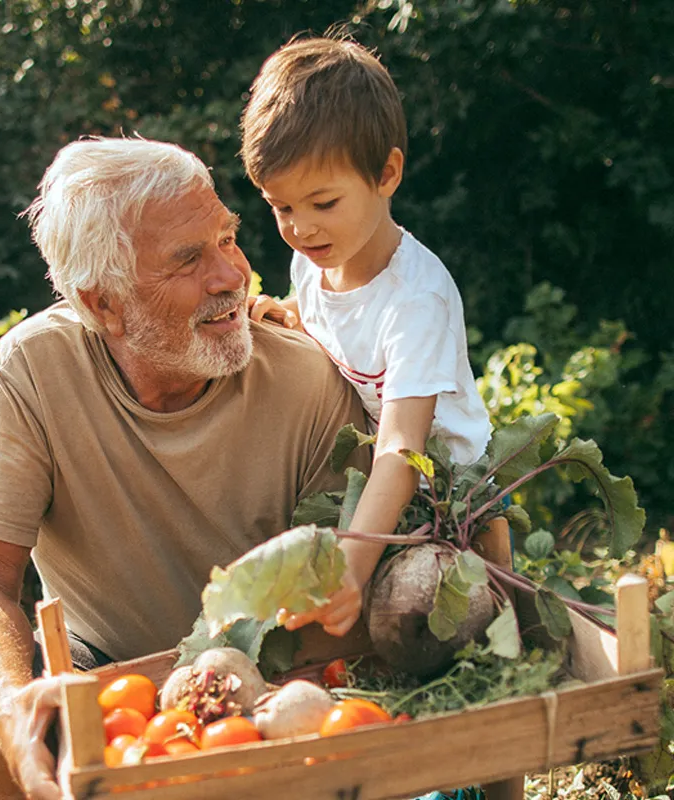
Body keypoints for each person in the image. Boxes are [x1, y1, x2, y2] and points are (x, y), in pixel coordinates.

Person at [0, 136, 370, 800]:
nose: (230, 275)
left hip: (271, 662)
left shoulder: (306, 380)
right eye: (189, 258)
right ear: (102, 303)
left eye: (227, 238)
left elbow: (344, 601)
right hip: (104, 660)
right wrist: (12, 709)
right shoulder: (33, 370)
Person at [241, 37, 491, 639]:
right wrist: (292, 316)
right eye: (281, 208)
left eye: (323, 203)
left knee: (475, 624)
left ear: (387, 174)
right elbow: (333, 318)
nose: (300, 228)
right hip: (375, 478)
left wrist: (352, 566)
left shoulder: (417, 299)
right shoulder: (316, 261)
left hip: (452, 486)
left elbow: (406, 446)